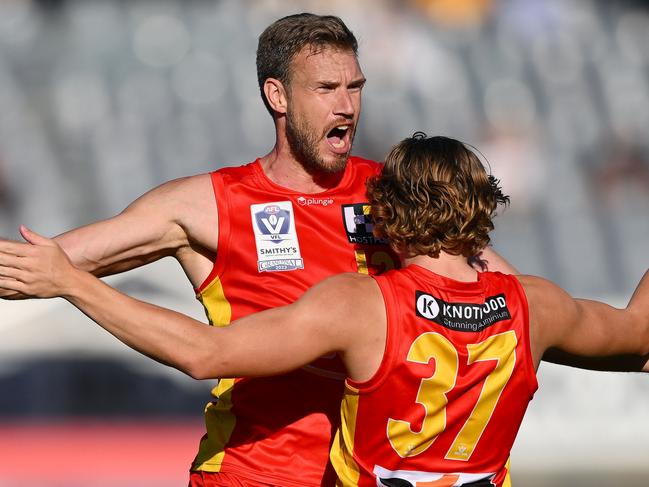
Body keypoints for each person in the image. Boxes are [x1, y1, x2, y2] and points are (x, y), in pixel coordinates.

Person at [1, 133, 648, 487]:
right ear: (485, 207)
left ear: (386, 214)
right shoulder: (535, 305)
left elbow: (206, 352)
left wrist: (73, 282)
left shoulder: (360, 305)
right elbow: (638, 338)